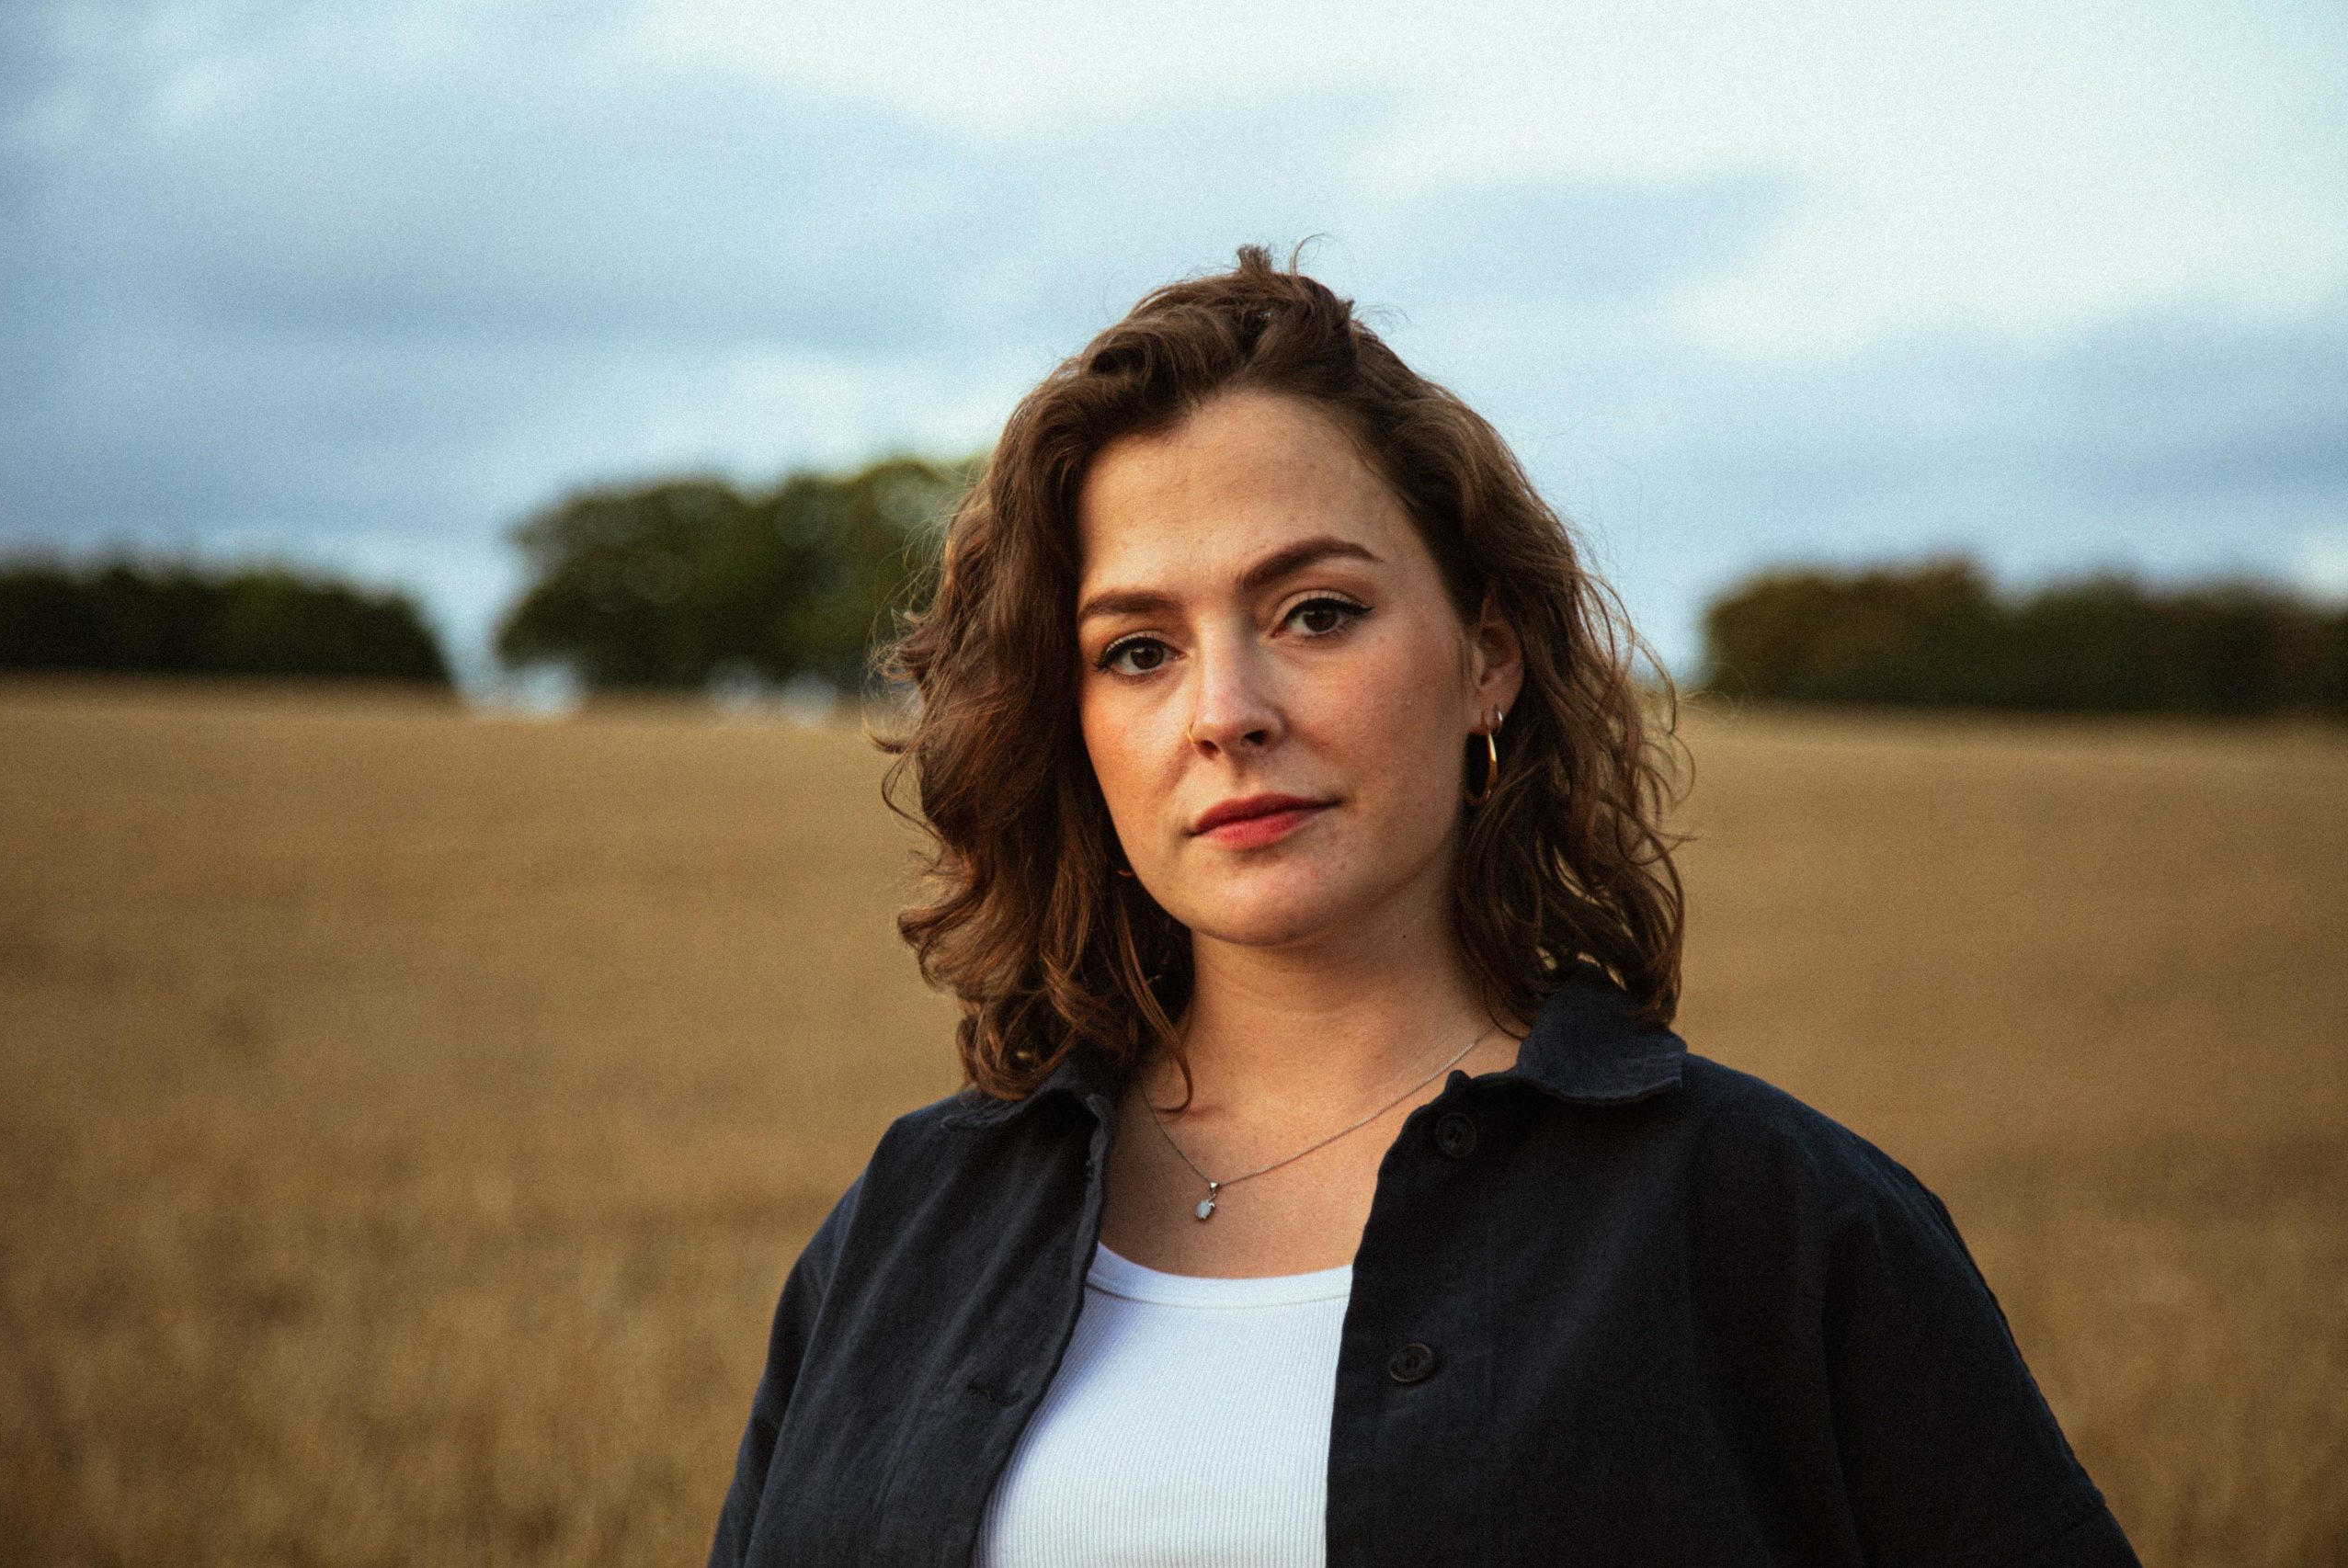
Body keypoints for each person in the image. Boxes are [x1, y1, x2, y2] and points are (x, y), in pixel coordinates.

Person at [707, 247, 2140, 1566]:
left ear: (1490, 660)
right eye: (1138, 649)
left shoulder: (1775, 1222)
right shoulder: (911, 1223)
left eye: (1315, 613)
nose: (1227, 714)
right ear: (1069, 722)